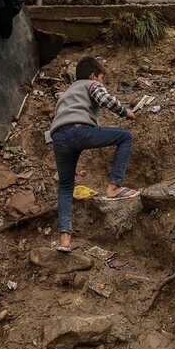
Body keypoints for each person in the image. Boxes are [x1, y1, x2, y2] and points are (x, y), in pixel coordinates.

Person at [49, 56, 139, 252]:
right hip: (79, 131)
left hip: (58, 137)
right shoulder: (91, 84)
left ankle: (65, 240)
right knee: (125, 137)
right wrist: (126, 112)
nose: (102, 82)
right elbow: (104, 99)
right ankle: (114, 187)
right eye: (101, 78)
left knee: (65, 186)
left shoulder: (67, 92)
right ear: (93, 76)